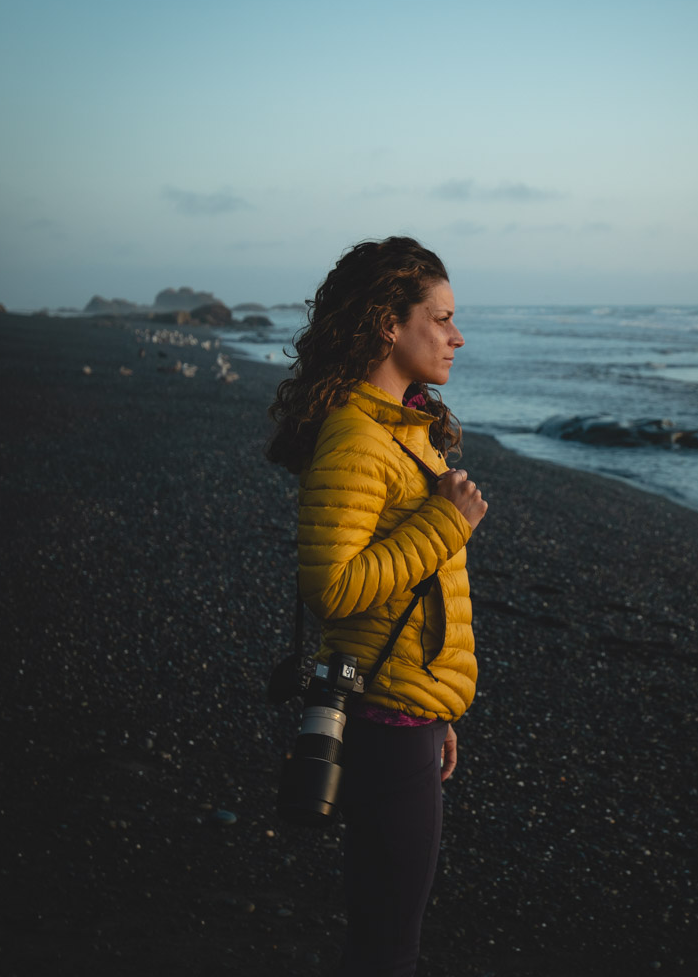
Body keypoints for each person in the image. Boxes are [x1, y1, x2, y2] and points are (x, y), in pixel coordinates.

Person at [266, 236, 488, 976]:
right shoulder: (359, 439)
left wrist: (439, 708)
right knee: (386, 948)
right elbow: (330, 589)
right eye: (442, 317)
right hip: (382, 721)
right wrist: (445, 523)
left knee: (387, 932)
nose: (458, 335)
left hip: (406, 712)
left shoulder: (403, 430)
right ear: (390, 325)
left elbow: (415, 595)